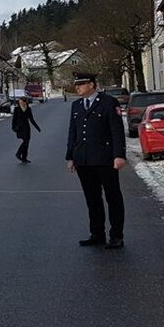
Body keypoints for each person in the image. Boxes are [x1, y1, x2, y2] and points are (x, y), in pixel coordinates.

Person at [66, 72, 126, 248]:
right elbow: (73, 132)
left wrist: (119, 155)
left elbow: (117, 130)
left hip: (105, 159)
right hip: (83, 160)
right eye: (76, 84)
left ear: (92, 85)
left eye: (81, 84)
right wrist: (70, 156)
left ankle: (116, 235)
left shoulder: (108, 102)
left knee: (113, 197)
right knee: (92, 198)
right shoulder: (76, 105)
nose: (77, 87)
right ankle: (97, 233)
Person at [11, 97, 41, 163]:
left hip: (26, 128)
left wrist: (37, 127)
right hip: (20, 128)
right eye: (20, 102)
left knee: (27, 143)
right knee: (26, 142)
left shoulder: (28, 109)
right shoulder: (17, 109)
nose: (20, 103)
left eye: (22, 102)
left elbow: (31, 119)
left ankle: (24, 158)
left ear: (25, 102)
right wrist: (13, 127)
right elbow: (14, 119)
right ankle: (18, 153)